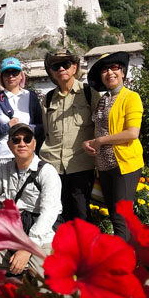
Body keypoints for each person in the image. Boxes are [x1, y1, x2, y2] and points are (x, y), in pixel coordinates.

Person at [0, 124, 61, 277]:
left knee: (47, 276)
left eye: (27, 139)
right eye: (16, 140)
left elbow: (49, 213)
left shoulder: (47, 172)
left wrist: (28, 248)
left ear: (34, 143)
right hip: (15, 227)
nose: (22, 144)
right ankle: (21, 266)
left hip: (39, 230)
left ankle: (21, 264)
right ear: (9, 145)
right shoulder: (4, 169)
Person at [83, 52, 144, 241]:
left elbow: (132, 133)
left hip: (124, 165)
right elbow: (99, 130)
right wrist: (90, 143)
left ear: (123, 72)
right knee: (114, 215)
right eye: (105, 69)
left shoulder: (131, 97)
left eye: (114, 68)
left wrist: (101, 141)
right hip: (105, 165)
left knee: (120, 217)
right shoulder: (103, 100)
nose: (109, 72)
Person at [39, 50, 98, 222]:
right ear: (51, 71)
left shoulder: (89, 93)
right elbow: (46, 132)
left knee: (82, 215)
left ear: (74, 67)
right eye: (56, 66)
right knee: (57, 216)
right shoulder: (48, 99)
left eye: (65, 64)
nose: (61, 69)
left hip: (81, 165)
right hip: (53, 166)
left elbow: (101, 126)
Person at [0, 58, 43, 171]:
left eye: (14, 72)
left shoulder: (31, 97)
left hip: (27, 156)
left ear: (21, 75)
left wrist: (25, 128)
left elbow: (41, 127)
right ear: (2, 77)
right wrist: (7, 127)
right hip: (2, 157)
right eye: (7, 73)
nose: (11, 76)